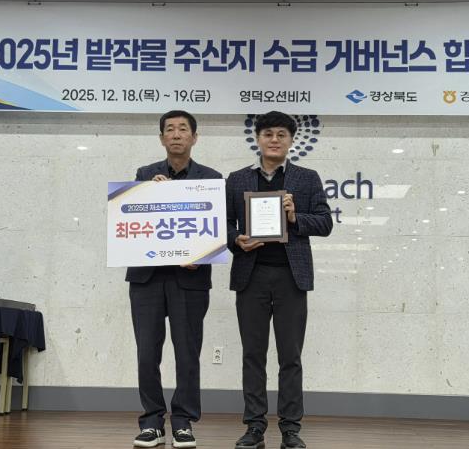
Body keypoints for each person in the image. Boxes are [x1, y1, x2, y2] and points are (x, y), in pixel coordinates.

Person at [225, 111, 333, 449]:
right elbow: (223, 224)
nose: (274, 140)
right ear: (257, 139)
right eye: (268, 133)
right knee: (253, 355)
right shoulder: (237, 179)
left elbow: (325, 223)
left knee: (291, 356)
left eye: (281, 135)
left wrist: (295, 216)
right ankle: (254, 426)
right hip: (251, 276)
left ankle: (290, 429)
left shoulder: (307, 178)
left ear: (291, 140)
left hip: (291, 277)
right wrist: (236, 239)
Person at [126, 110, 222, 448]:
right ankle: (152, 421)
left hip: (190, 279)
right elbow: (131, 222)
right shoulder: (145, 175)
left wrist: (201, 256)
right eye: (170, 129)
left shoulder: (210, 179)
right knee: (146, 353)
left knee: (187, 353)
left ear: (195, 137)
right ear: (161, 138)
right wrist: (148, 194)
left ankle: (183, 421)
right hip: (147, 278)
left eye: (183, 129)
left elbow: (216, 228)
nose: (177, 134)